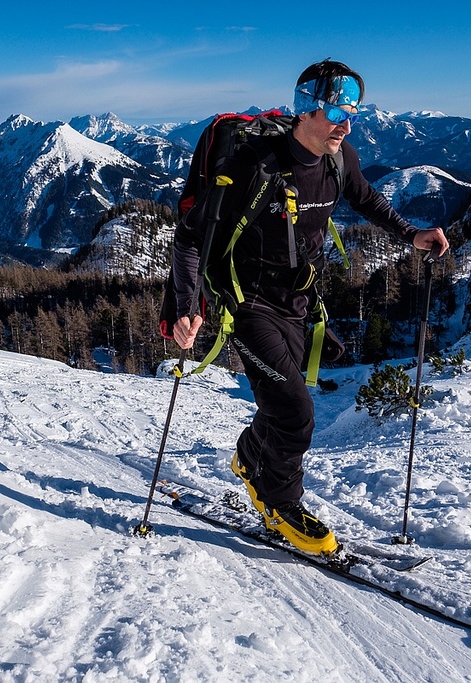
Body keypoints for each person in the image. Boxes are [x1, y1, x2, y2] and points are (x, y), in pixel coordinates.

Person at [164, 59, 449, 556]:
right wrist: (187, 306)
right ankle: (279, 503)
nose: (346, 123)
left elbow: (366, 199)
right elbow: (191, 236)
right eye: (337, 111)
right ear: (307, 110)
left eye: (352, 112)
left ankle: (251, 457)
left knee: (284, 400)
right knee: (296, 412)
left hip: (298, 300)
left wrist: (412, 234)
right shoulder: (254, 165)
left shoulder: (340, 161)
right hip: (248, 304)